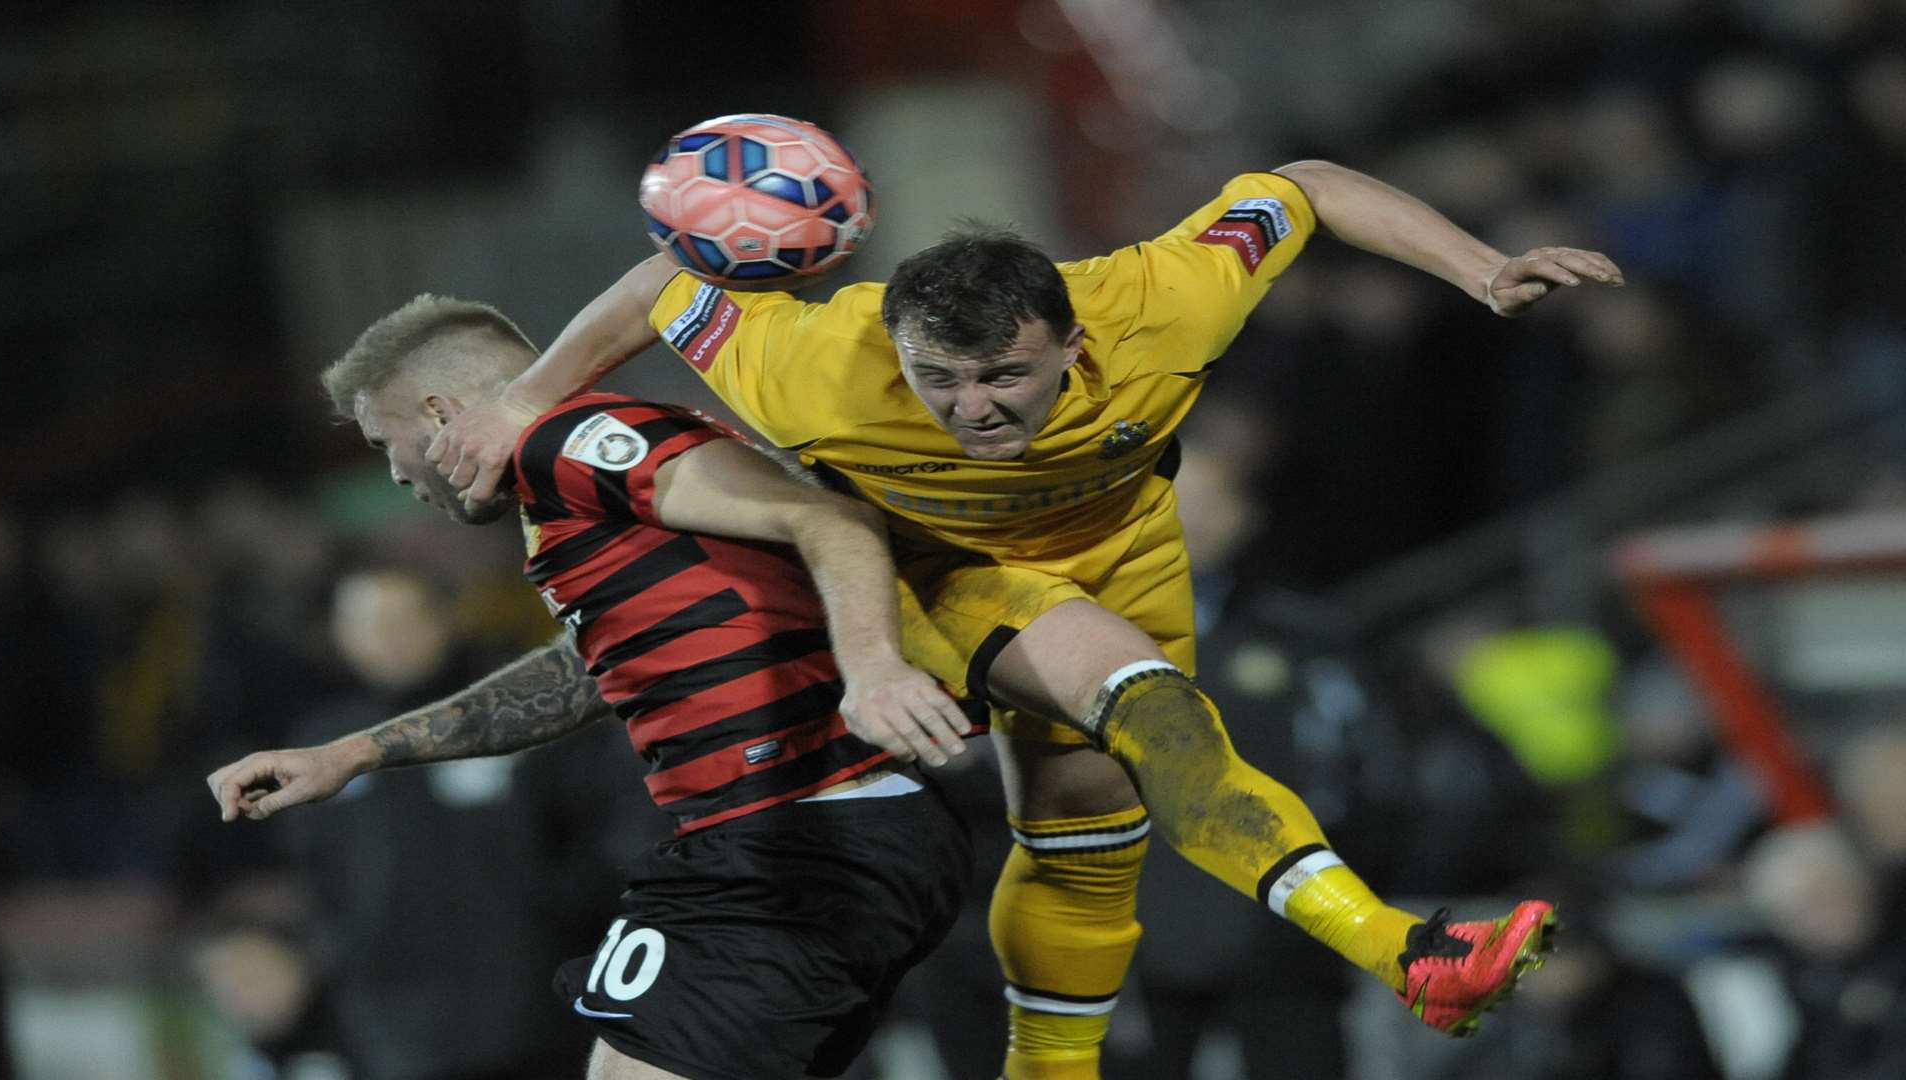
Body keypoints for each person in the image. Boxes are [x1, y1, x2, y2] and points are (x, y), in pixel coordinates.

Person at [430, 159, 1622, 1077]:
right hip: (954, 574)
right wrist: (528, 399)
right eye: (936, 380)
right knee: (1159, 716)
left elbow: (1303, 187)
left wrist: (1478, 267)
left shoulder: (1166, 298)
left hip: (1128, 549)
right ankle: (1407, 954)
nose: (971, 409)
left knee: (1085, 844)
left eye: (1004, 375)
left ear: (1076, 339)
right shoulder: (808, 360)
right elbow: (661, 282)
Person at [206, 295, 975, 1080]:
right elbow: (585, 673)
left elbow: (827, 521)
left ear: (441, 412)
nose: (397, 472)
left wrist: (875, 666)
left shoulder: (570, 441)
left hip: (807, 831)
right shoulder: (569, 504)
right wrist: (359, 752)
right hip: (759, 839)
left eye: (386, 442)